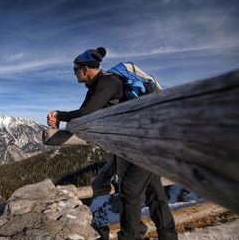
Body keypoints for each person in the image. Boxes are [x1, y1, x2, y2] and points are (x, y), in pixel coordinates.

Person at [47, 47, 177, 240]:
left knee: (129, 194)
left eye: (75, 70)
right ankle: (168, 236)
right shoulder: (105, 84)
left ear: (84, 69)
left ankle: (130, 236)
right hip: (146, 140)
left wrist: (60, 115)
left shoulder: (106, 82)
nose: (74, 74)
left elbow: (86, 114)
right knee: (155, 193)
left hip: (137, 144)